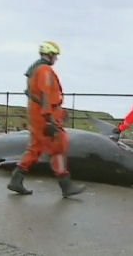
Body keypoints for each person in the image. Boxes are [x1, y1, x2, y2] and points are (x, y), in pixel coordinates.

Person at [7, 41, 86, 198]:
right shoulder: (45, 70)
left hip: (37, 114)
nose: (56, 59)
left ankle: (16, 179)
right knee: (59, 148)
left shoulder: (34, 70)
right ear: (49, 55)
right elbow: (45, 94)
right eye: (55, 56)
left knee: (35, 148)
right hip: (46, 116)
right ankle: (66, 185)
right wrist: (49, 118)